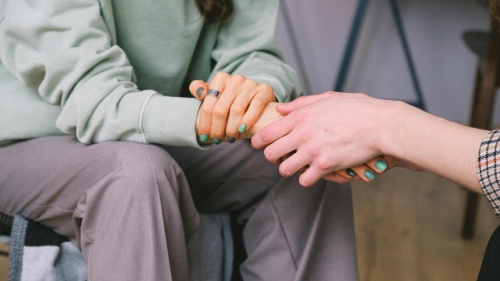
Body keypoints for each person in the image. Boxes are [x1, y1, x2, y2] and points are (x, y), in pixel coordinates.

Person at [0, 0, 358, 280]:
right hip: (25, 145)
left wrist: (253, 95)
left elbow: (254, 53)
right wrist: (214, 118)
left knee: (302, 153)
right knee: (137, 176)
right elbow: (95, 100)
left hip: (150, 135)